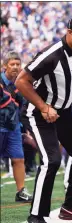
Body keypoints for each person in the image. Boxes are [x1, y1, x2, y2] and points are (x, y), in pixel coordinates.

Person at [15, 14, 72, 223]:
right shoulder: (51, 55)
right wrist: (43, 107)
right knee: (51, 160)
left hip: (63, 112)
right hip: (39, 114)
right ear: (69, 32)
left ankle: (71, 207)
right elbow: (21, 81)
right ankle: (35, 218)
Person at [0, 51, 33, 203]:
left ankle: (21, 192)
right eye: (12, 64)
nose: (15, 67)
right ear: (4, 66)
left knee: (18, 159)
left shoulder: (21, 83)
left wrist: (26, 129)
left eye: (18, 64)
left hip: (13, 128)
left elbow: (24, 108)